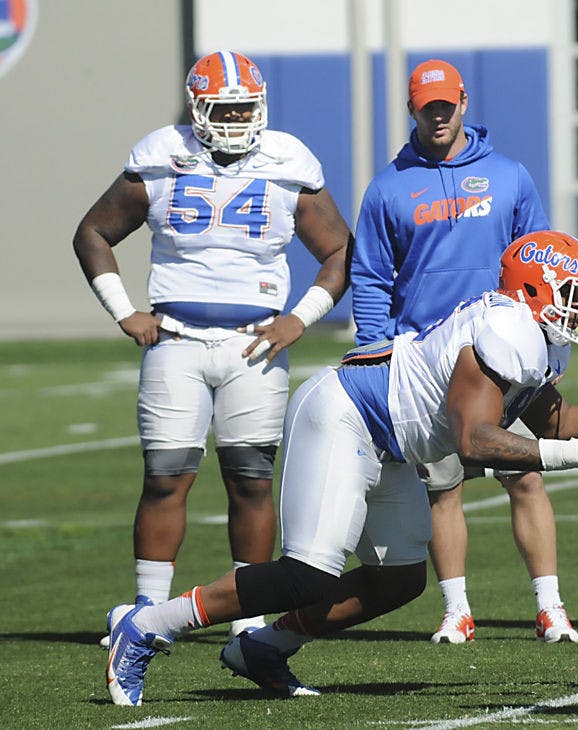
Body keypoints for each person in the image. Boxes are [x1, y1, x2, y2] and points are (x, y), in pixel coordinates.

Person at [103, 230, 578, 707]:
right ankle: (149, 623)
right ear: (534, 291)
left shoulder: (534, 336)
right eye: (572, 293)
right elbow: (473, 441)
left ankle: (264, 647)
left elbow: (552, 416)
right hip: (347, 414)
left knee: (401, 578)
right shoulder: (506, 326)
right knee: (308, 574)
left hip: (392, 442)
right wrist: (577, 457)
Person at [73, 51, 353, 644]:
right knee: (165, 476)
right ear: (197, 106)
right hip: (176, 339)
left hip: (255, 343)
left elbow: (338, 251)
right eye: (221, 108)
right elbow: (93, 231)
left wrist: (301, 319)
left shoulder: (287, 159)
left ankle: (248, 616)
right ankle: (146, 612)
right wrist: (124, 311)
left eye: (242, 108)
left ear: (262, 107)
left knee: (250, 478)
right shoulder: (160, 153)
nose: (232, 120)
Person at [350, 59, 577, 643]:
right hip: (428, 365)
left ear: (463, 103)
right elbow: (372, 277)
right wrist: (378, 349)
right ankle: (457, 611)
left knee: (525, 477)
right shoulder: (388, 186)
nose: (438, 116)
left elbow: (545, 255)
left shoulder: (508, 175)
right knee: (442, 490)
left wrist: (550, 346)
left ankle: (550, 608)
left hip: (507, 356)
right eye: (427, 108)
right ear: (413, 110)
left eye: (446, 105)